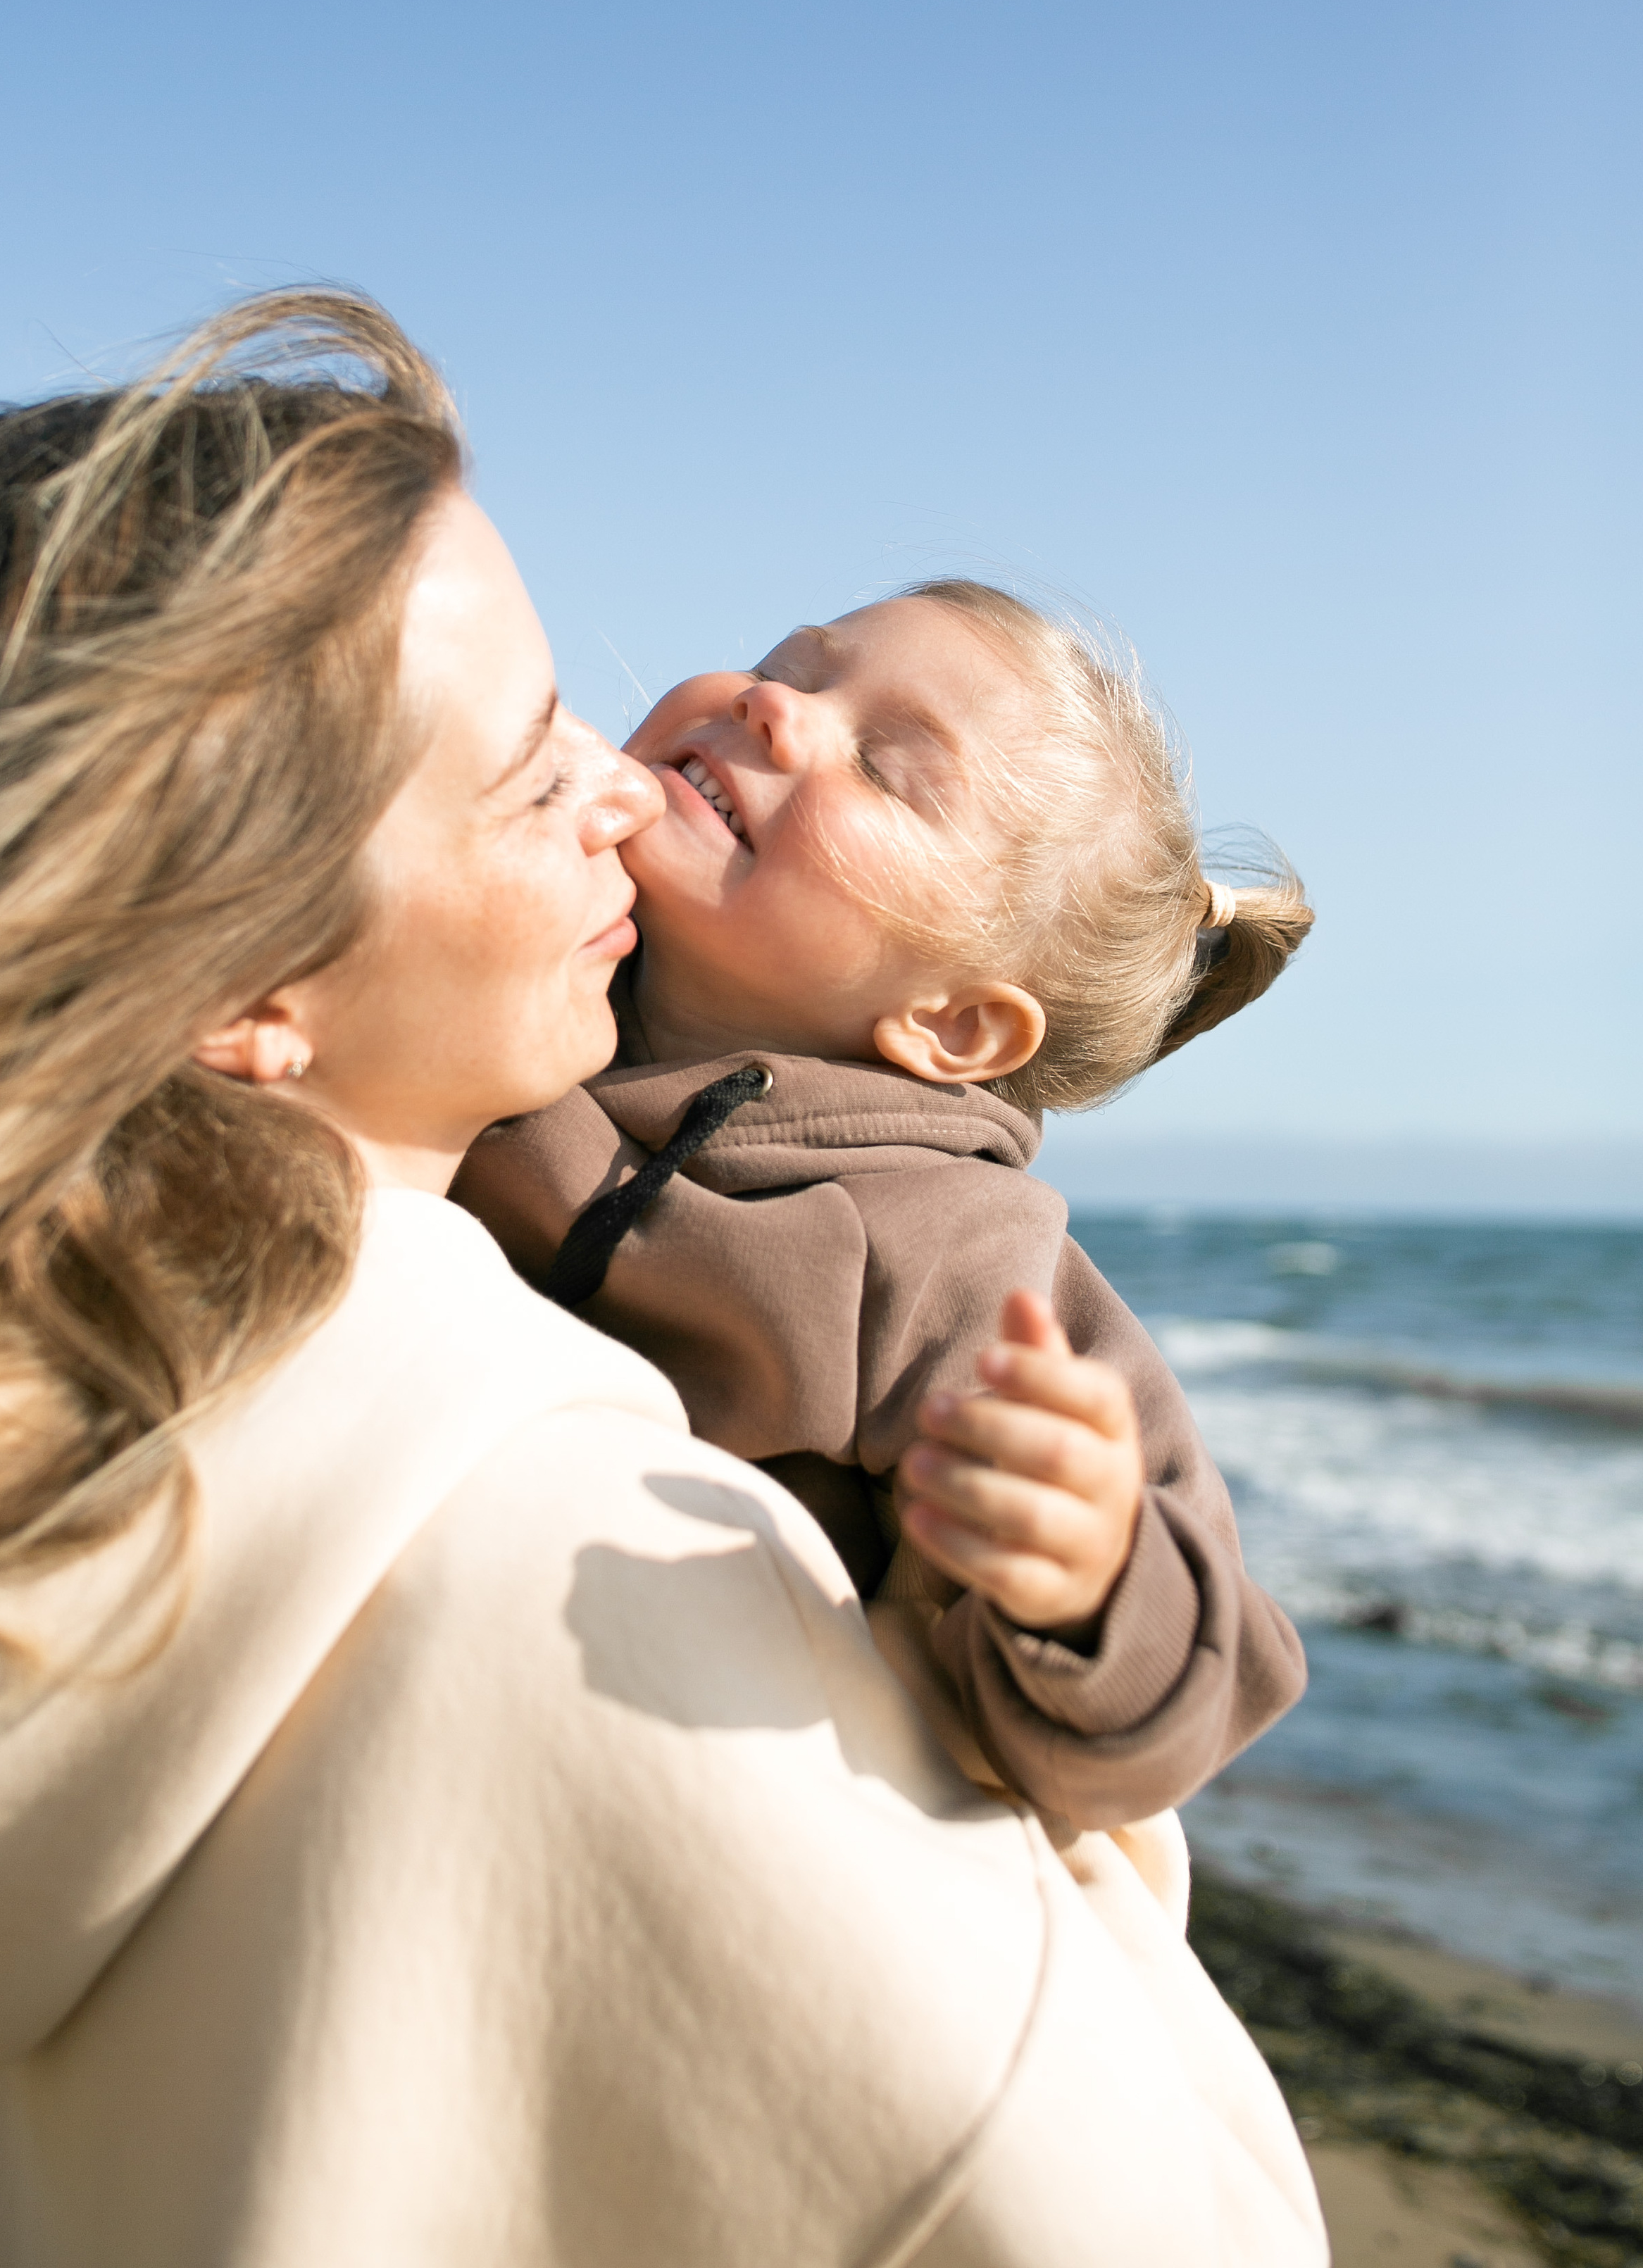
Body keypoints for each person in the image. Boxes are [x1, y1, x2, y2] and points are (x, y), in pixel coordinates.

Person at [0, 291, 1325, 2266]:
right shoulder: (548, 1556)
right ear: (248, 986)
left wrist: (1073, 1605)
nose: (640, 776)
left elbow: (1170, 1610)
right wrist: (1118, 1884)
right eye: (535, 763)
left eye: (890, 758)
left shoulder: (53, 1398)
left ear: (962, 1029)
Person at [456, 587, 1311, 1826]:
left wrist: (1087, 1580)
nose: (774, 706)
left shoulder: (952, 1253)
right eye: (789, 664)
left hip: (683, 1780)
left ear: (953, 1024)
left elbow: (1175, 1702)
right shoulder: (515, 965)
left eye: (886, 767)